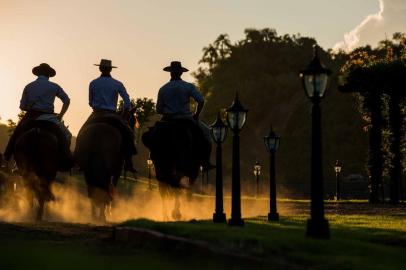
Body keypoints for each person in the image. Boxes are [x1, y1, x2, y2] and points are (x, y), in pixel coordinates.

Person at [3, 63, 72, 170]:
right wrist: (61, 115)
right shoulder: (54, 86)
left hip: (31, 116)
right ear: (49, 75)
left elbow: (22, 106)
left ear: (38, 73)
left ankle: (6, 158)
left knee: (15, 135)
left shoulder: (29, 86)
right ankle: (65, 161)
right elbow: (67, 100)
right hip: (49, 117)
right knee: (67, 135)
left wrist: (31, 107)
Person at [83, 59, 137, 172]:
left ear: (100, 68)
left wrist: (96, 105)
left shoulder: (93, 83)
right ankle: (128, 163)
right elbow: (127, 101)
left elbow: (90, 102)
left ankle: (81, 160)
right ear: (111, 69)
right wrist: (125, 111)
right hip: (112, 115)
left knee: (82, 133)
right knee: (128, 134)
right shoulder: (117, 83)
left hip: (96, 114)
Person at [156, 61, 213, 169]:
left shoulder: (163, 89)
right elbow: (201, 101)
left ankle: (154, 157)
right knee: (206, 132)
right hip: (186, 119)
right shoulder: (188, 86)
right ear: (181, 73)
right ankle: (205, 161)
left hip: (168, 120)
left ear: (170, 73)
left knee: (153, 136)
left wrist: (167, 112)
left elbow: (158, 109)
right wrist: (196, 115)